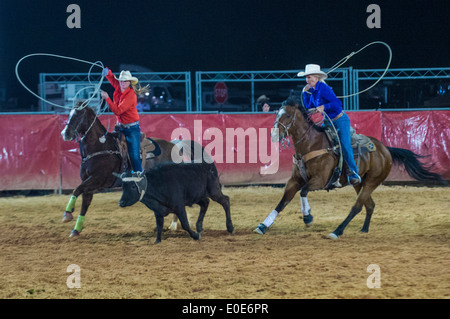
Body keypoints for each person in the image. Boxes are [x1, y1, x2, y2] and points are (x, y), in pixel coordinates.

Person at [298, 64, 361, 185]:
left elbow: (337, 103)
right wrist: (305, 93)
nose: (307, 80)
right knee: (322, 143)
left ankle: (354, 173)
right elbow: (309, 107)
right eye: (306, 77)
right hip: (328, 121)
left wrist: (324, 106)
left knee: (344, 145)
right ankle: (331, 174)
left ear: (316, 78)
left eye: (309, 77)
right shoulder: (313, 91)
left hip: (339, 120)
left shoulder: (324, 88)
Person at [100, 68, 149, 174]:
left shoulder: (131, 95)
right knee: (111, 149)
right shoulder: (118, 86)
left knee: (134, 155)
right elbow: (113, 80)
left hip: (131, 129)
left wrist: (107, 98)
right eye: (121, 80)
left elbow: (118, 111)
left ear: (129, 82)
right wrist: (107, 72)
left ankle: (140, 175)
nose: (122, 82)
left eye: (125, 81)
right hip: (120, 127)